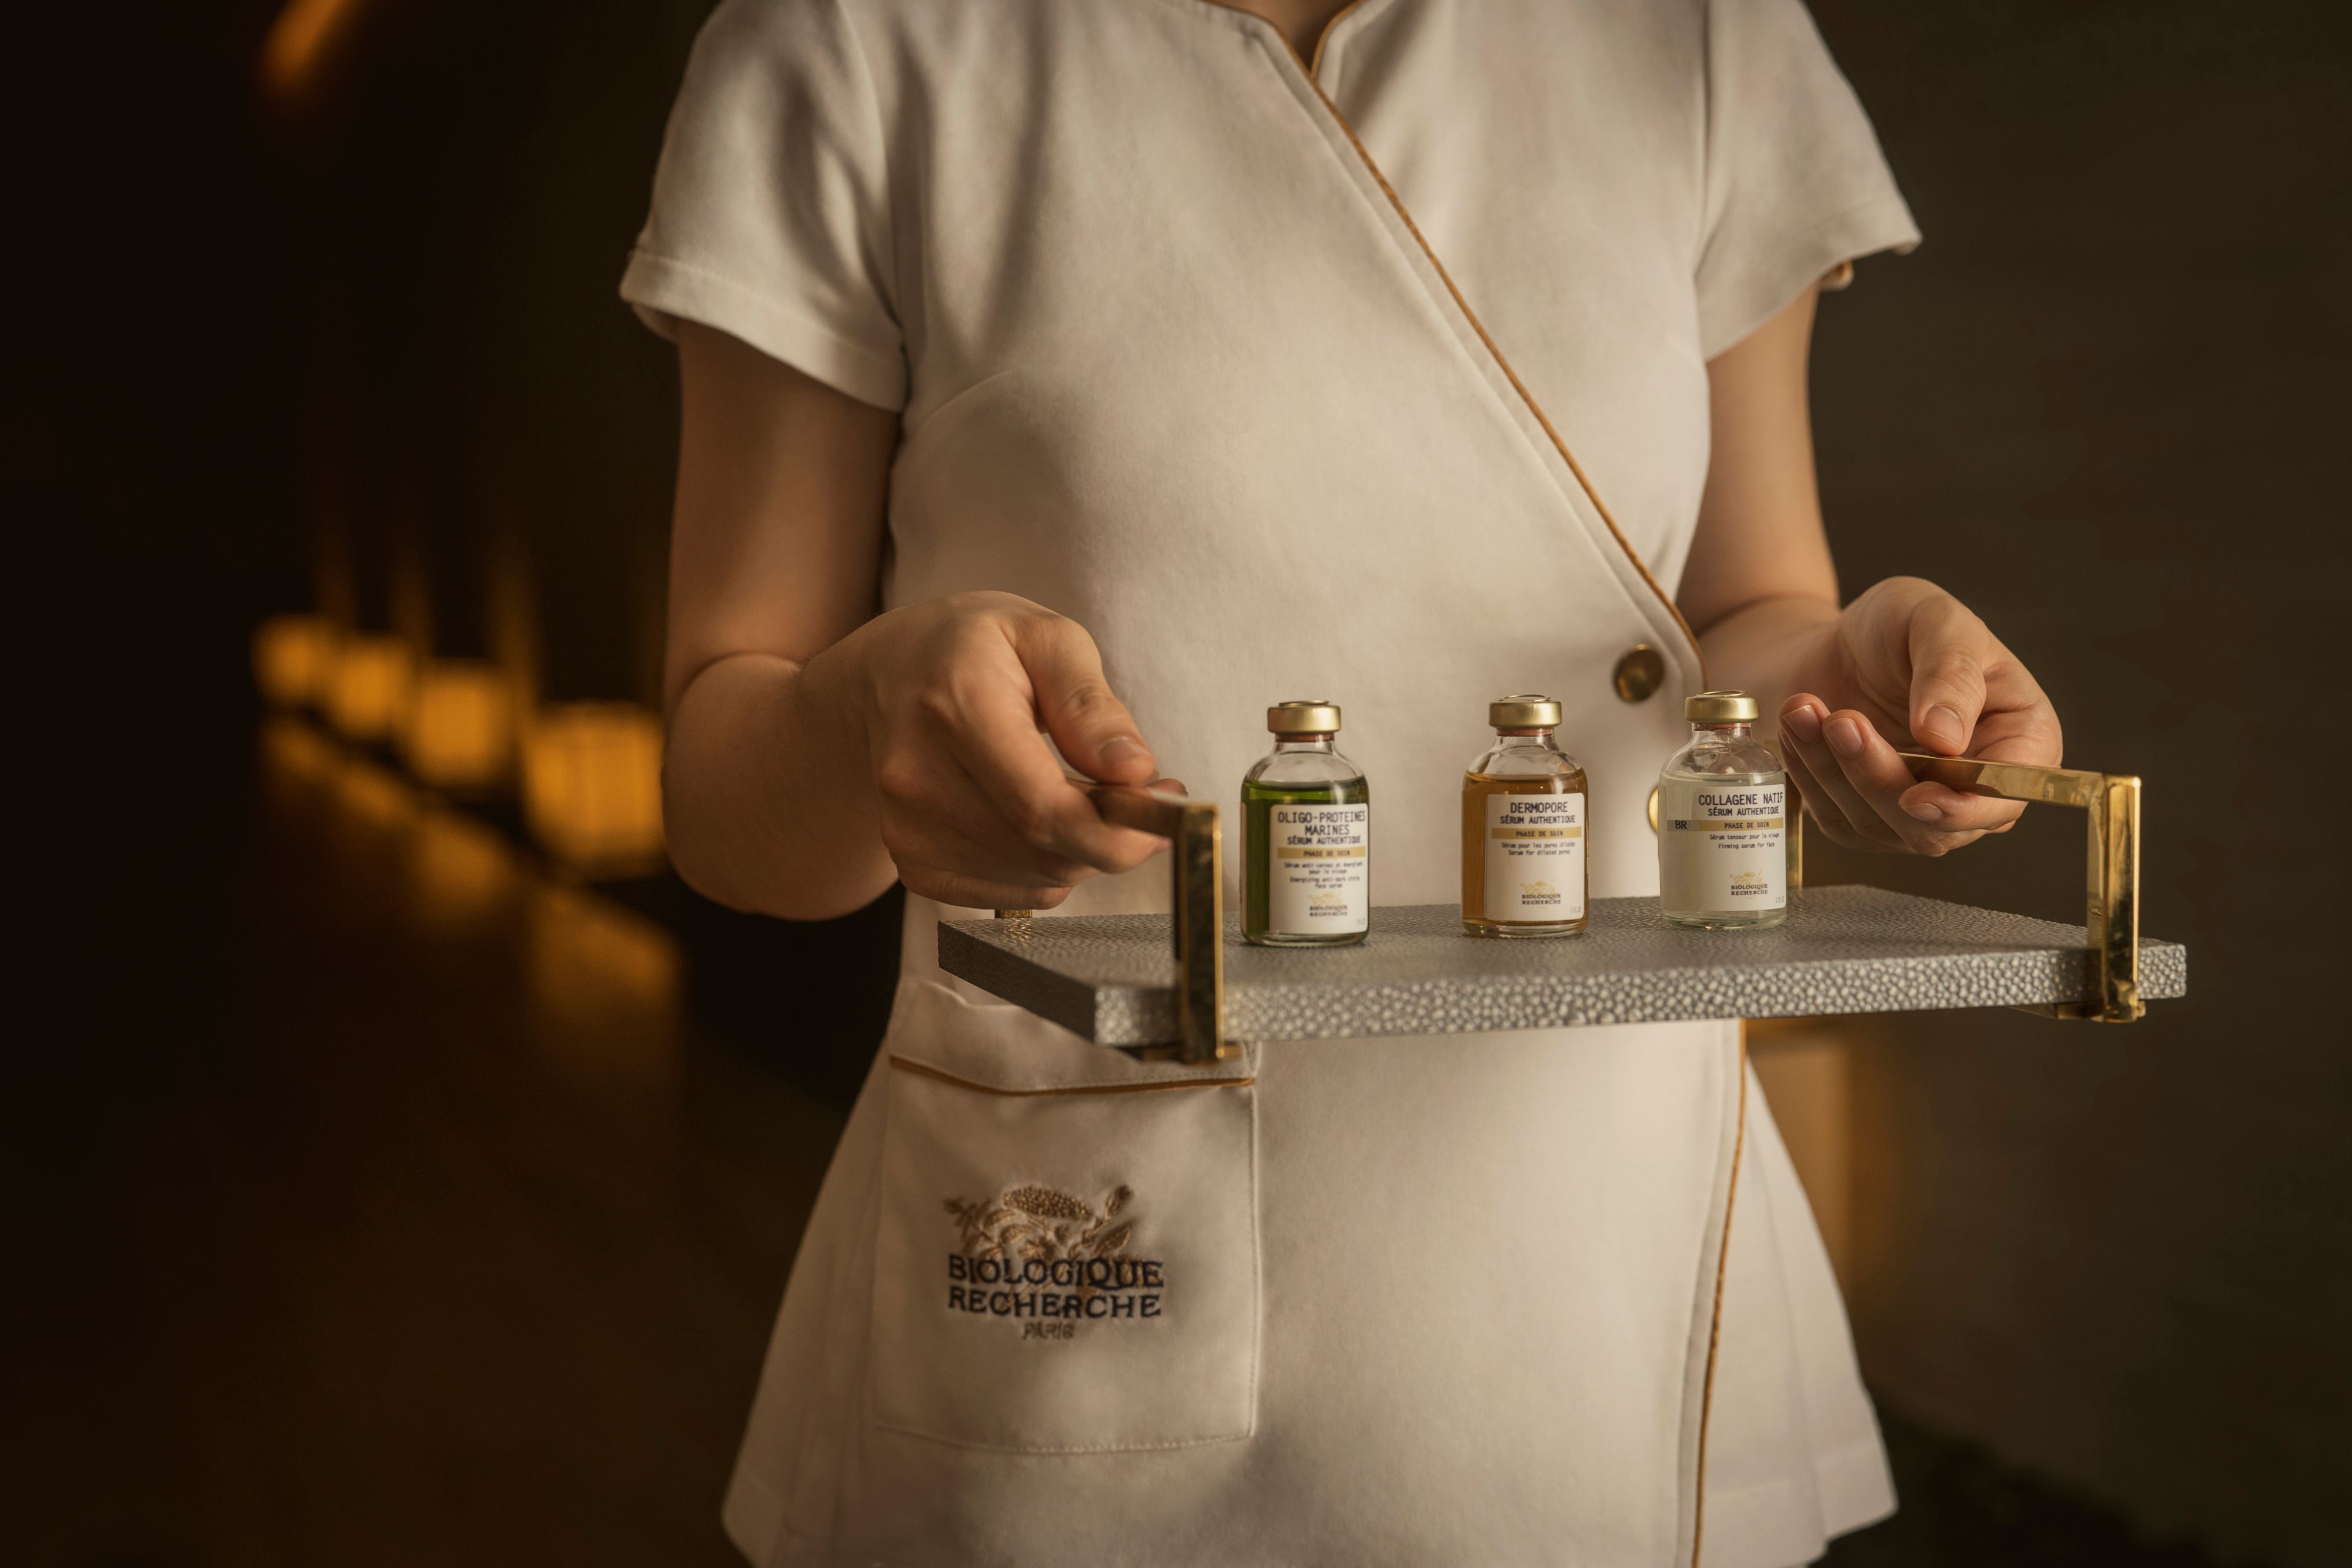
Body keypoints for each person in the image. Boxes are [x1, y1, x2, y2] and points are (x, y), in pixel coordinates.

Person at [623, 1, 2062, 1562]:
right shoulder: (857, 39)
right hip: (1100, 1208)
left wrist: (1860, 680)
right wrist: (857, 725)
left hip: (1598, 1210)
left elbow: (1746, 616)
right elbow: (720, 775)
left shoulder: (1697, 32)